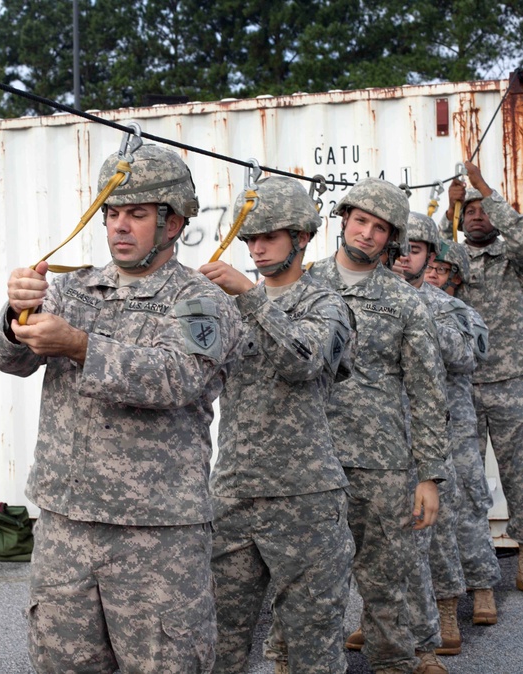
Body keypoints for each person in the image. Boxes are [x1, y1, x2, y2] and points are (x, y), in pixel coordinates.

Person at [0, 143, 241, 673]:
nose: (121, 226)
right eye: (113, 214)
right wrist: (15, 310)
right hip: (66, 525)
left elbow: (180, 377)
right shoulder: (73, 289)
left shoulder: (201, 300)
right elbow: (8, 360)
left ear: (172, 224)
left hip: (156, 535)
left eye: (138, 214)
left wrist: (81, 347)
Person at [199, 177, 355, 674]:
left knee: (313, 647)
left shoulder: (327, 305)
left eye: (269, 237)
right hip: (234, 493)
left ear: (302, 238)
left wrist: (248, 295)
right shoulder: (230, 306)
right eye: (250, 239)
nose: (258, 248)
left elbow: (303, 361)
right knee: (220, 641)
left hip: (304, 498)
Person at [304, 178, 449, 674]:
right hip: (311, 461)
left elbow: (428, 391)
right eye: (360, 221)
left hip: (382, 465)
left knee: (389, 580)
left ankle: (398, 662)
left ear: (392, 239)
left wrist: (429, 475)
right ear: (343, 220)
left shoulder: (406, 302)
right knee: (308, 580)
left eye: (379, 228)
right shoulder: (302, 284)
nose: (366, 233)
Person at [442, 161, 523, 601]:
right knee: (463, 481)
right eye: (469, 211)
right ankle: (474, 571)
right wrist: (445, 213)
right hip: (461, 385)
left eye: (483, 210)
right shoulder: (452, 260)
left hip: (506, 382)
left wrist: (484, 188)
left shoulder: (513, 258)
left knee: (519, 473)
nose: (476, 215)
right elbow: (421, 260)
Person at [392, 213, 480, 671]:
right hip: (381, 431)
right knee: (376, 531)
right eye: (400, 246)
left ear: (431, 257)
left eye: (416, 249)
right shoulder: (370, 296)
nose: (405, 255)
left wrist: (420, 311)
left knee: (437, 531)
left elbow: (467, 357)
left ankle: (446, 613)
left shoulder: (447, 307)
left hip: (429, 430)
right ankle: (379, 617)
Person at [424, 242, 502, 627]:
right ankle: (430, 602)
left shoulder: (460, 313)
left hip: (454, 427)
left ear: (456, 277)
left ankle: (483, 587)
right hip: (408, 427)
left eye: (442, 268)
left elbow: (468, 357)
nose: (433, 274)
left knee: (469, 509)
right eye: (429, 266)